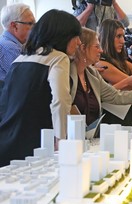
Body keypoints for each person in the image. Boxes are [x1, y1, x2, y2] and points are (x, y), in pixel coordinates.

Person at [0, 9, 82, 166]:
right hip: (35, 143)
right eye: (76, 36)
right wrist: (61, 139)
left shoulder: (20, 58)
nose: (78, 42)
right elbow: (60, 101)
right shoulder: (58, 58)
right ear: (63, 35)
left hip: (7, 139)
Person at [70, 27, 132, 127]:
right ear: (83, 48)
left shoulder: (92, 73)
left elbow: (115, 95)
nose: (100, 50)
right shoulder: (70, 73)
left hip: (91, 134)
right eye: (96, 46)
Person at [0, 3, 35, 81]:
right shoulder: (10, 48)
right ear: (14, 26)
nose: (34, 28)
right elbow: (28, 80)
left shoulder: (8, 43)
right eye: (30, 23)